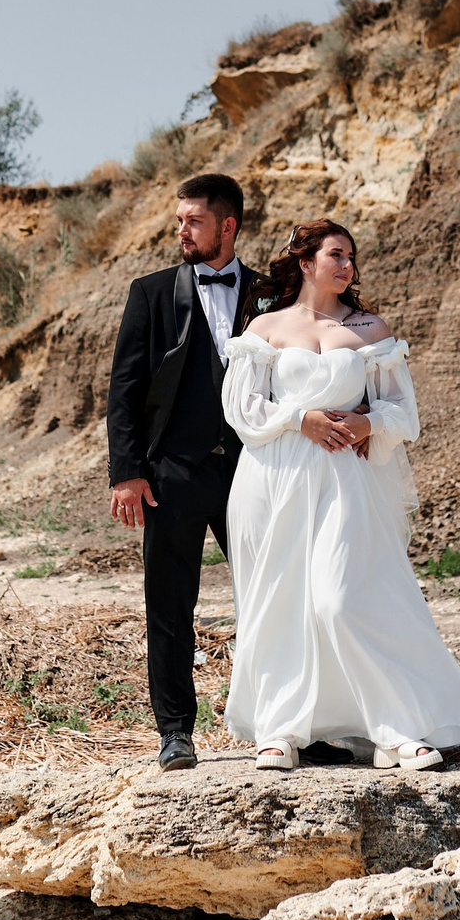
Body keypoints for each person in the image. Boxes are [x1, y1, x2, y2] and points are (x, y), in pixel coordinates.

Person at [220, 218, 460, 773]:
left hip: (343, 480)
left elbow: (402, 413)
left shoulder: (368, 329)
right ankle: (279, 730)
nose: (347, 266)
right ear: (305, 262)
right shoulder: (265, 328)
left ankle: (392, 726)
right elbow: (242, 410)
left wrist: (367, 426)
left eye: (351, 257)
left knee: (341, 599)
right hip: (274, 477)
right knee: (278, 600)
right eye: (336, 255)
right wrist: (301, 417)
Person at [105, 173, 267, 772]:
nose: (181, 231)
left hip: (253, 471)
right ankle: (175, 733)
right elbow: (125, 390)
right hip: (170, 474)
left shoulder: (270, 292)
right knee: (170, 606)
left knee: (271, 595)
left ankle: (282, 723)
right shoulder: (150, 293)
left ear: (227, 226)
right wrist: (127, 471)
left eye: (193, 222)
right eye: (179, 221)